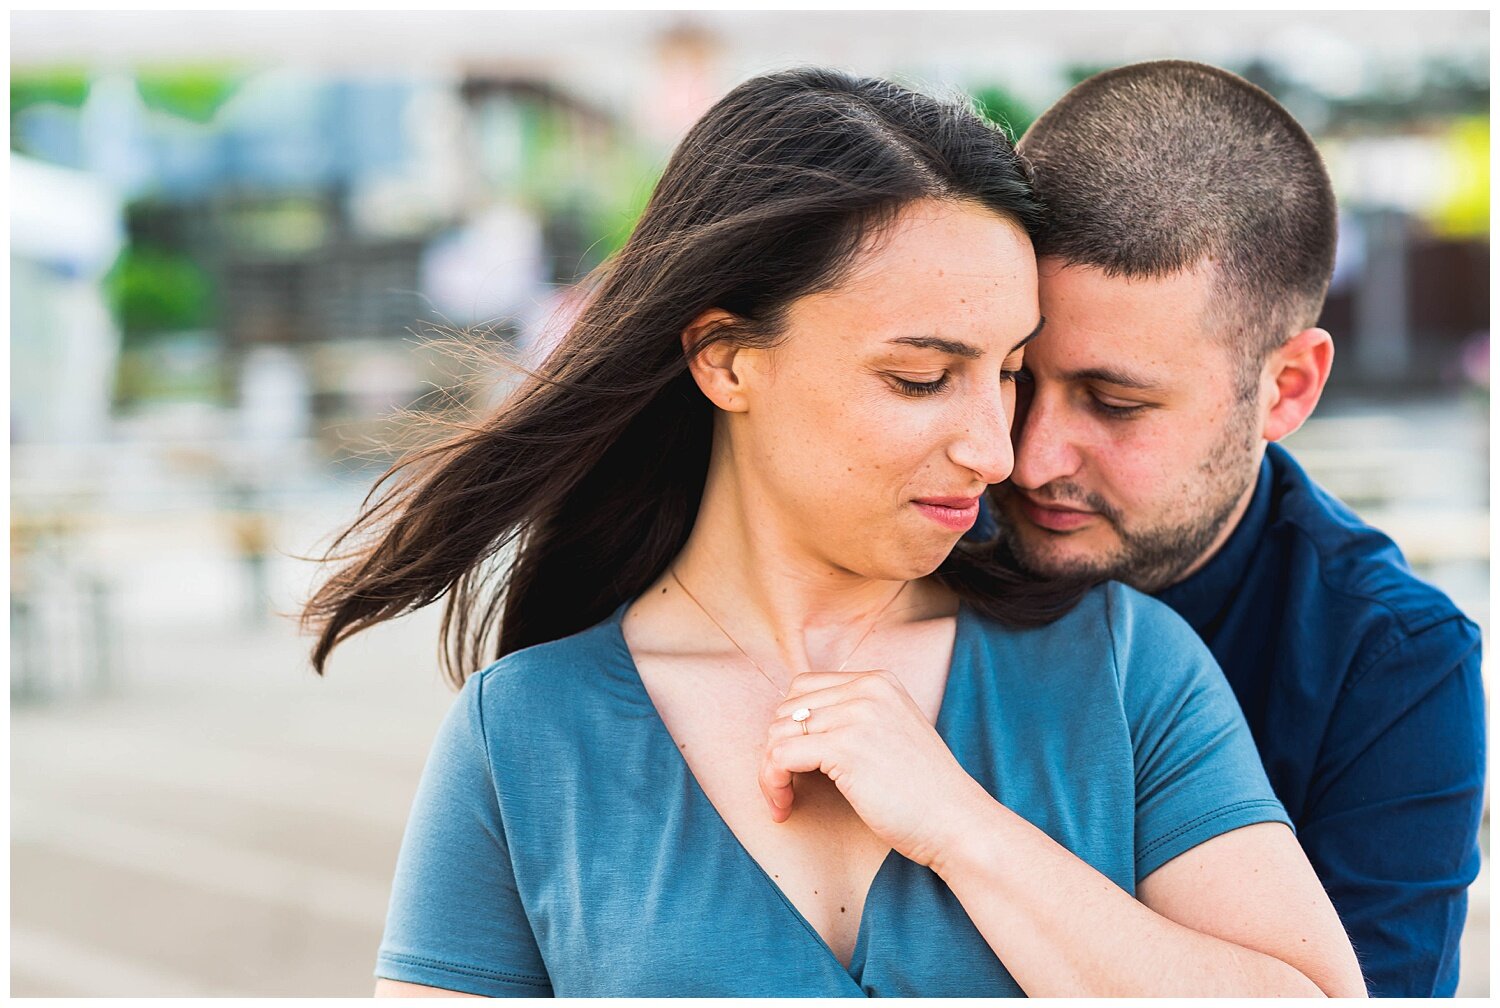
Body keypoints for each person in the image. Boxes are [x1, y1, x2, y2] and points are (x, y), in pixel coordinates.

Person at [303, 68, 1364, 997]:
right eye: (920, 378)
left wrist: (963, 829)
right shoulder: (524, 737)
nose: (999, 451)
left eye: (1006, 375)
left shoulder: (1126, 670)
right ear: (726, 359)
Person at [986, 60, 1485, 998]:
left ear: (1286, 388)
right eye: (1012, 376)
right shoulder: (917, 528)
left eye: (1115, 401)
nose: (1028, 456)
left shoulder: (1387, 664)